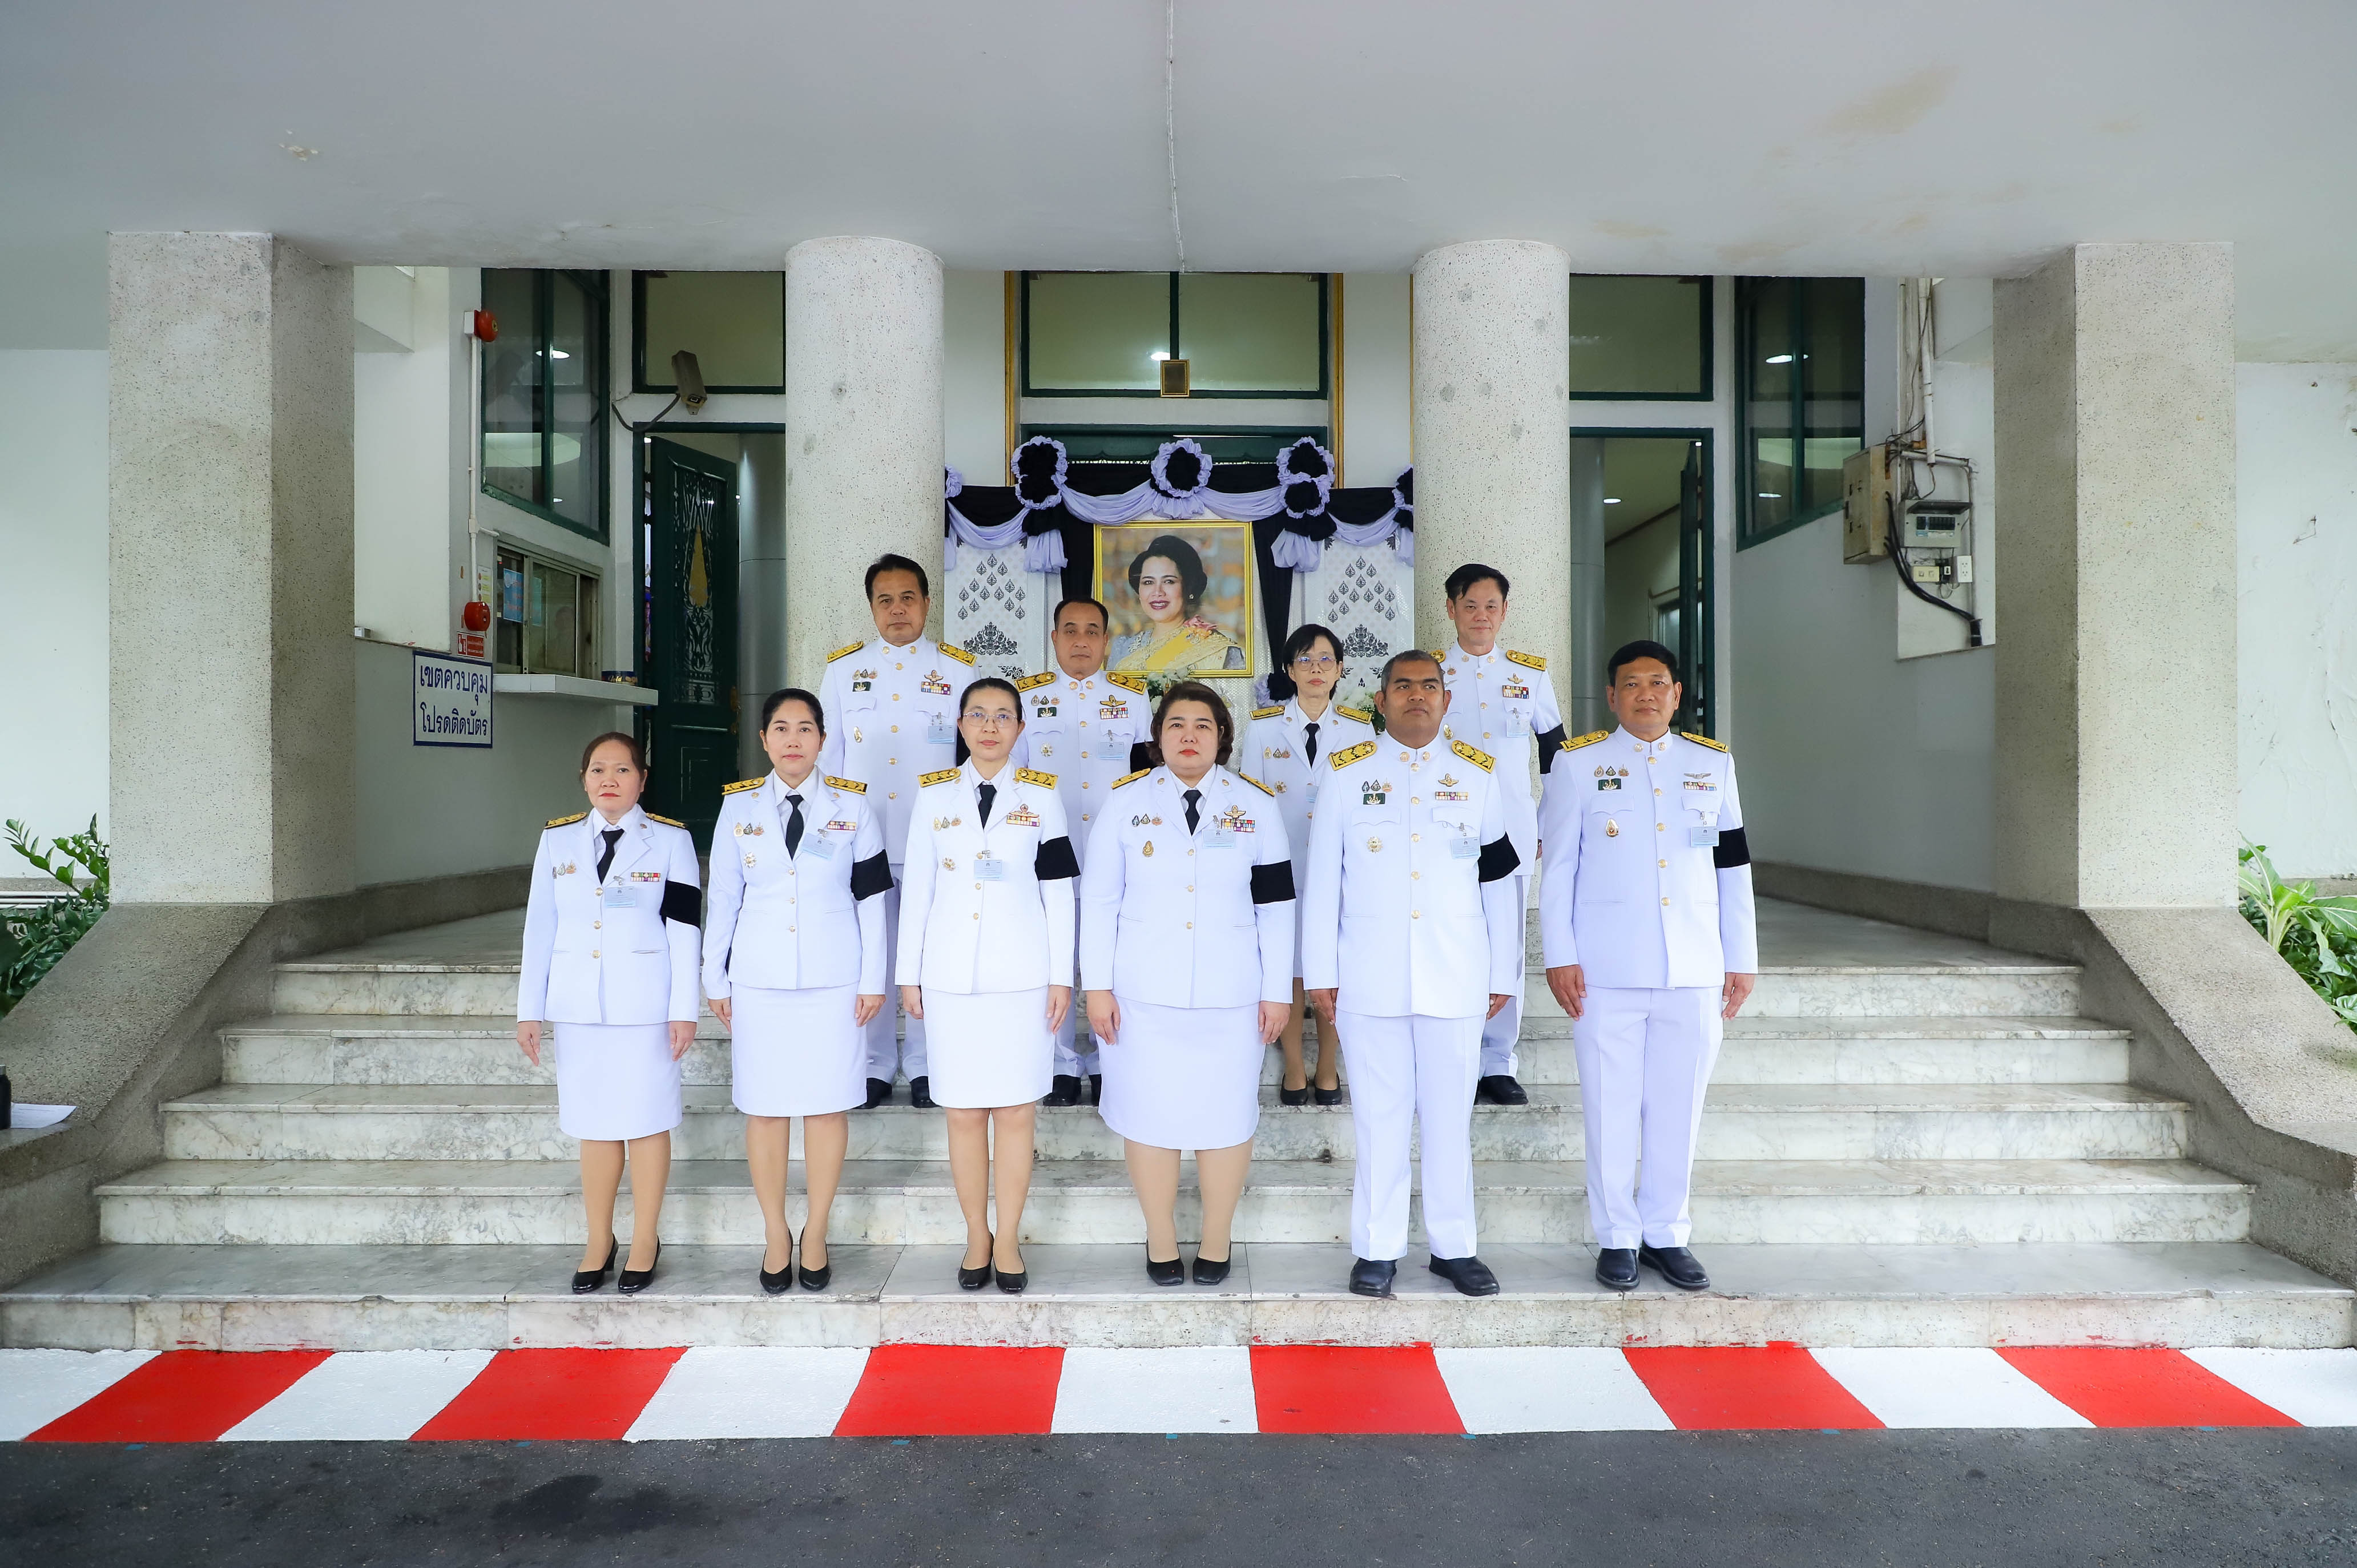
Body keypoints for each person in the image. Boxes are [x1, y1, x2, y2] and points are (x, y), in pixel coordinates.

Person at [1303, 651, 1522, 1299]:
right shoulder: (1347, 774)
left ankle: (1454, 1248)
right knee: (1379, 1116)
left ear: (1446, 701)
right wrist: (1320, 969)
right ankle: (1377, 1246)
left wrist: (1502, 967)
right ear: (1381, 698)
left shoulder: (1477, 777)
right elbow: (1322, 882)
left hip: (1456, 974)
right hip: (1368, 977)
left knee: (1450, 1118)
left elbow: (1498, 880)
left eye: (1429, 686)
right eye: (1404, 686)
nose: (1417, 696)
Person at [1539, 639, 1756, 1295]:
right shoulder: (1577, 766)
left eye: (1656, 682)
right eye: (1630, 683)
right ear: (1611, 697)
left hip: (1693, 965)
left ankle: (1666, 1232)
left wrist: (1740, 957)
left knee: (1677, 1104)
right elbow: (1558, 870)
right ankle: (1616, 1237)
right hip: (1604, 967)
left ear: (1676, 693)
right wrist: (1559, 954)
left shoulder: (1711, 764)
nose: (1644, 693)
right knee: (1609, 1106)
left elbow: (1733, 865)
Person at [1081, 680, 1295, 1285]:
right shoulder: (1124, 801)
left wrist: (1277, 987)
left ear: (1222, 737)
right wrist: (1096, 986)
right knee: (1149, 1116)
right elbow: (1098, 901)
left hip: (1233, 995)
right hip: (1141, 994)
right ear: (1157, 738)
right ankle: (1160, 1237)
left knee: (1226, 1117)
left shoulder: (1256, 803)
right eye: (1176, 724)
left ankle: (1218, 1238)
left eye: (1203, 724)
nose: (1189, 736)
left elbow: (1277, 904)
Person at [703, 689, 893, 1294]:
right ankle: (775, 1232)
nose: (793, 739)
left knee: (826, 1105)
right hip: (758, 978)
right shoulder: (738, 809)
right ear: (763, 740)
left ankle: (815, 1230)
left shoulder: (854, 809)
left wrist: (873, 978)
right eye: (781, 728)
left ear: (822, 739)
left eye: (805, 728)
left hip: (835, 979)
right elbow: (724, 899)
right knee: (764, 1108)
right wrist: (715, 976)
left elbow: (872, 898)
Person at [897, 676, 1079, 1293]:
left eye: (1003, 715)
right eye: (978, 714)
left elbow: (1059, 891)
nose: (990, 725)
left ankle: (1010, 1236)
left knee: (1018, 1113)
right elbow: (916, 889)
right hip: (950, 978)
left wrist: (1061, 975)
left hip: (1022, 978)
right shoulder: (932, 798)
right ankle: (976, 1233)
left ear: (1021, 728)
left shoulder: (1043, 797)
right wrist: (908, 975)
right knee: (965, 1115)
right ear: (960, 724)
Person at [515, 732, 701, 1296]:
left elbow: (685, 928)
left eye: (622, 770)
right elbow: (540, 927)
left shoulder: (670, 841)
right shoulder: (558, 841)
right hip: (578, 1006)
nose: (609, 780)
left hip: (645, 1005)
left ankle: (645, 1237)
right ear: (584, 778)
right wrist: (530, 1008)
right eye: (598, 769)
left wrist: (684, 1008)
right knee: (593, 1126)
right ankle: (600, 1238)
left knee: (646, 1122)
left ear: (642, 779)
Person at [817, 553, 975, 1110]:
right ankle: (877, 1063)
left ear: (927, 603)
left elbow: (974, 756)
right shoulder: (842, 670)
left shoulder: (958, 669)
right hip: (867, 837)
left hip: (934, 833)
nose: (897, 609)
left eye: (908, 597)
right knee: (873, 953)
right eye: (884, 599)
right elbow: (828, 758)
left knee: (932, 952)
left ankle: (931, 1064)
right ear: (871, 607)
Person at [1012, 596, 1152, 1106]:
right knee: (1056, 959)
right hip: (1050, 850)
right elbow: (1017, 780)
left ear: (1106, 642)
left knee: (1108, 960)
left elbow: (1142, 775)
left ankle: (1105, 1060)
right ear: (1053, 639)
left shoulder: (1133, 700)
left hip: (1113, 852)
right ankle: (1061, 1062)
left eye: (1092, 631)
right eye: (1069, 630)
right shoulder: (1027, 699)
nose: (1080, 640)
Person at [1437, 563, 1568, 1107]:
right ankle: (1453, 1052)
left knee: (1505, 948)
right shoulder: (1428, 674)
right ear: (1451, 609)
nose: (1481, 616)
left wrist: (1549, 827)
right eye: (1471, 606)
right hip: (1442, 835)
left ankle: (1496, 1061)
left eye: (1492, 606)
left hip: (1513, 835)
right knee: (1446, 939)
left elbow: (1556, 758)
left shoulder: (1530, 676)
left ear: (1505, 612)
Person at [1244, 623, 1375, 1105]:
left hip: (1342, 867)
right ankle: (1295, 1066)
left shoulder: (1360, 730)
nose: (1315, 669)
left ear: (1340, 669)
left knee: (1331, 963)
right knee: (1290, 968)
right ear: (1288, 669)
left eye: (1325, 660)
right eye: (1304, 659)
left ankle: (1327, 1067)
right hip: (1283, 866)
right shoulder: (1261, 729)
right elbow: (1252, 806)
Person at [1108, 534, 1246, 674]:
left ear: (1189, 588)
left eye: (1169, 581)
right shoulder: (1122, 649)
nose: (1157, 592)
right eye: (1148, 582)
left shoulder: (1219, 651)